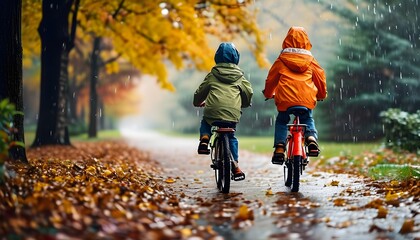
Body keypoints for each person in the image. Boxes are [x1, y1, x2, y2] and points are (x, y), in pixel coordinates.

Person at [263, 26, 327, 165]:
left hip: (285, 100)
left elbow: (271, 79)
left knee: (282, 121)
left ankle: (280, 147)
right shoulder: (311, 61)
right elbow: (320, 79)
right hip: (306, 99)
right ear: (306, 41)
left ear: (287, 40)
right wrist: (321, 95)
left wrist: (268, 93)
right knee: (307, 118)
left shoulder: (281, 60)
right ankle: (311, 138)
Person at [193, 42, 253, 181]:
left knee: (206, 121)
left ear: (217, 58)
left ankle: (204, 139)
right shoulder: (240, 76)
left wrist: (197, 102)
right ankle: (235, 165)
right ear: (235, 58)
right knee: (231, 136)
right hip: (232, 112)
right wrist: (243, 104)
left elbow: (201, 91)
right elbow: (248, 92)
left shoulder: (213, 74)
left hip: (213, 109)